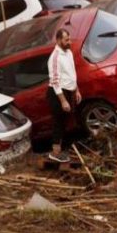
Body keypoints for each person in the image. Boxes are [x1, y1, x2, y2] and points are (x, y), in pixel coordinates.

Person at [47, 29, 81, 163]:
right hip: (58, 94)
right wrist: (63, 101)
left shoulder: (68, 52)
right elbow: (55, 81)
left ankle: (63, 148)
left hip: (68, 91)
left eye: (69, 39)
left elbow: (72, 73)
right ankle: (55, 153)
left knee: (67, 121)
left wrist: (76, 90)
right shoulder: (55, 57)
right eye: (66, 40)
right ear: (59, 40)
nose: (69, 42)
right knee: (58, 123)